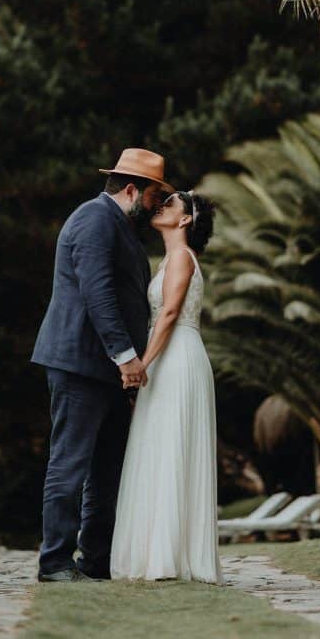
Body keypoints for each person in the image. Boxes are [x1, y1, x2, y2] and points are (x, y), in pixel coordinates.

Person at [32, 148, 171, 582]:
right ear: (132, 190)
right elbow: (98, 292)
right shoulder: (93, 219)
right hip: (80, 363)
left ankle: (95, 560)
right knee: (70, 464)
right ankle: (54, 561)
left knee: (106, 469)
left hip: (108, 370)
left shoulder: (120, 225)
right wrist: (127, 356)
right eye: (152, 198)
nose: (155, 208)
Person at [111, 190, 223, 584]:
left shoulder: (179, 258)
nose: (161, 206)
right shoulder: (166, 261)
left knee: (172, 446)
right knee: (159, 447)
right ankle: (160, 553)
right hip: (167, 358)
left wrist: (142, 364)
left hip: (177, 359)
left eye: (171, 204)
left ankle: (171, 557)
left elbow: (171, 313)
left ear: (185, 220)